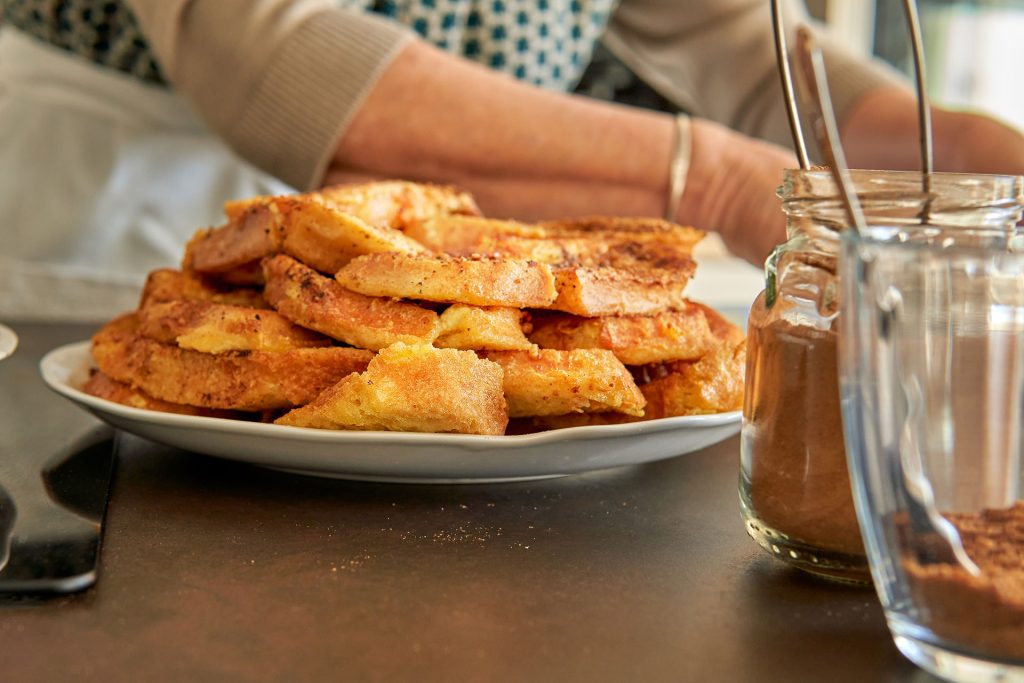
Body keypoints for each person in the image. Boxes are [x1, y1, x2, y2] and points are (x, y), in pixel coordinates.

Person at [1, 0, 1022, 321]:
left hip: (442, 258)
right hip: (124, 212)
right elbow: (280, 59)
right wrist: (708, 177)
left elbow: (743, 55)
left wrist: (973, 151)